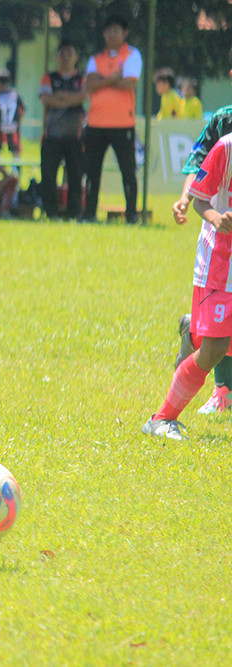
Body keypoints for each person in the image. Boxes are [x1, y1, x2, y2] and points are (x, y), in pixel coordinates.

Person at [142, 134, 232, 441]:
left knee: (223, 340)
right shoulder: (226, 147)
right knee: (217, 347)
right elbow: (201, 195)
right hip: (221, 263)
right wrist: (217, 218)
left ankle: (193, 330)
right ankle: (161, 418)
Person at [171, 48, 232, 414]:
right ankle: (221, 390)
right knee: (222, 319)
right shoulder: (223, 124)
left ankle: (194, 326)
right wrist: (184, 200)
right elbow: (199, 165)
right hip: (221, 240)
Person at [80, 14, 142, 224]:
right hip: (96, 124)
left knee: (128, 171)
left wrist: (102, 81)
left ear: (125, 33)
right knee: (92, 172)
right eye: (109, 30)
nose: (112, 34)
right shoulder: (95, 58)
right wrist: (115, 77)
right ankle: (89, 213)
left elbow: (130, 84)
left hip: (122, 123)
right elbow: (89, 86)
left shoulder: (132, 55)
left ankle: (132, 214)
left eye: (117, 30)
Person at [39, 40, 86, 220]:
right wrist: (71, 100)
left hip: (75, 136)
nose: (65, 57)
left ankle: (74, 212)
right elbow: (46, 99)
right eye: (62, 53)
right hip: (52, 135)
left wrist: (61, 97)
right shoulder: (49, 77)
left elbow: (84, 96)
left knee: (75, 175)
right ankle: (50, 212)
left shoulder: (81, 78)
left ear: (76, 57)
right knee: (49, 175)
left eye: (69, 53)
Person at [0, 68, 25, 158]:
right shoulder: (15, 95)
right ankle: (15, 170)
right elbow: (22, 110)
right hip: (13, 127)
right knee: (14, 153)